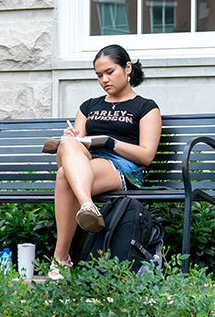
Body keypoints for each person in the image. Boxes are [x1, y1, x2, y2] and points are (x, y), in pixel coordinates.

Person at [48, 44, 161, 280]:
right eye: (99, 75)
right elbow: (73, 149)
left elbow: (146, 156)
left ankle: (61, 259)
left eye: (110, 72)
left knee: (63, 177)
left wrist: (110, 142)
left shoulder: (146, 107)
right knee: (68, 147)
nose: (104, 80)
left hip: (122, 167)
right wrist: (70, 139)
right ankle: (87, 205)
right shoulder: (88, 106)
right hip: (86, 162)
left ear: (127, 67)